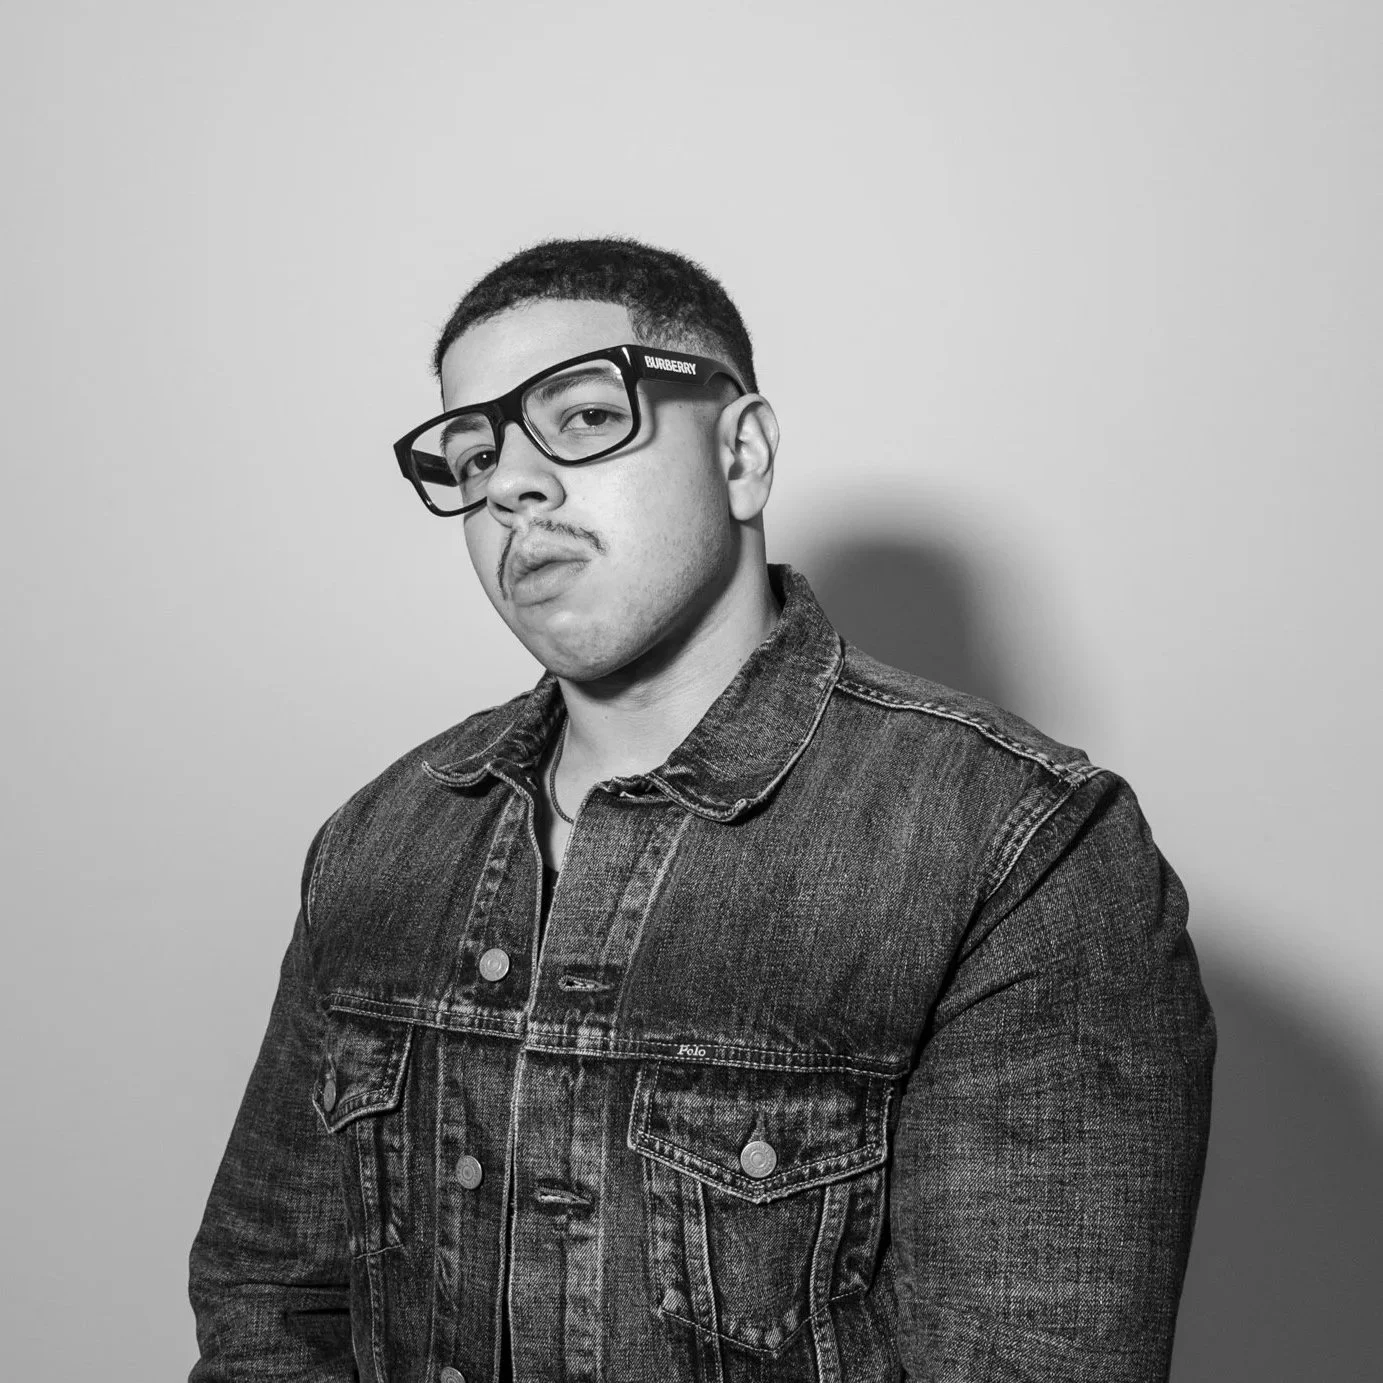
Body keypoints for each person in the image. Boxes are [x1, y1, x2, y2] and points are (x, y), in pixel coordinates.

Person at [187, 237, 1216, 1383]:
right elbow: (266, 1302)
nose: (512, 486)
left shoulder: (1021, 848)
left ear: (743, 454)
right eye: (474, 455)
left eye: (581, 418)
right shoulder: (382, 838)